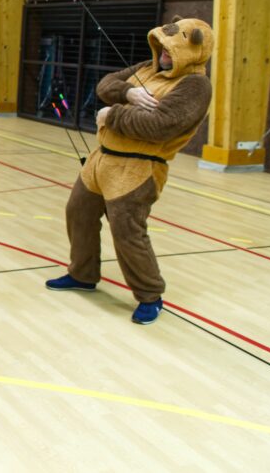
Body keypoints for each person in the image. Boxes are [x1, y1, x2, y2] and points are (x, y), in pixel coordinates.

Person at [45, 16, 214, 325]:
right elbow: (105, 85)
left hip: (137, 168)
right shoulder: (147, 67)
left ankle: (150, 295)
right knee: (78, 213)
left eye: (170, 48)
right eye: (161, 46)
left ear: (191, 51)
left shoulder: (195, 85)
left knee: (127, 232)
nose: (163, 52)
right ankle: (82, 274)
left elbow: (162, 125)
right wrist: (128, 93)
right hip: (101, 160)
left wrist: (112, 115)